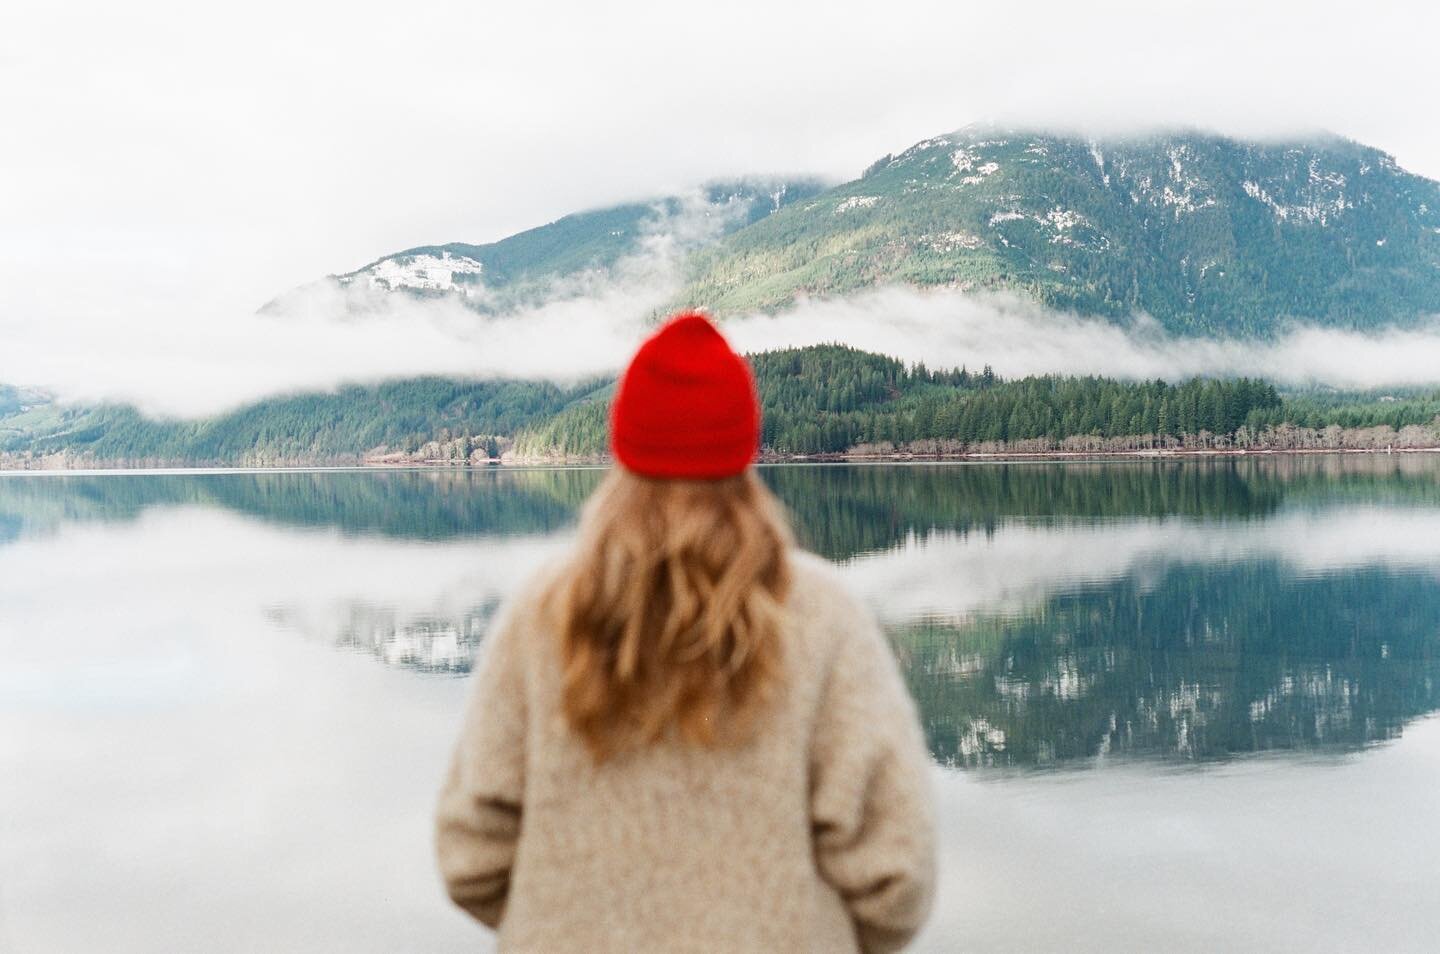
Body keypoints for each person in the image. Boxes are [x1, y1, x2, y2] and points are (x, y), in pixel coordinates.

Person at [435, 311, 936, 952]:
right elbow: (897, 874)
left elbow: (470, 858)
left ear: (624, 453)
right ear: (742, 454)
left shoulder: (543, 614)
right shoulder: (821, 617)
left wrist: (562, 914)